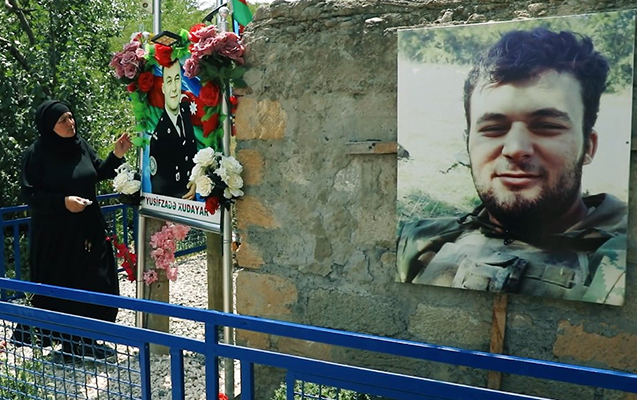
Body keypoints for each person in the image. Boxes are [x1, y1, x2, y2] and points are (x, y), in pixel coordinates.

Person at [396, 28, 627, 305]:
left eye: (546, 126)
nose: (515, 148)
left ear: (588, 147)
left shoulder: (620, 259)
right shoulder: (415, 242)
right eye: (493, 129)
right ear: (468, 144)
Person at [13, 99, 133, 361]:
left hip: (89, 230)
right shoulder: (37, 154)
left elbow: (96, 173)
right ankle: (69, 343)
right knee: (66, 285)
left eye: (70, 117)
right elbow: (30, 195)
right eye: (62, 120)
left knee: (98, 281)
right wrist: (63, 203)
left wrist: (116, 155)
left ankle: (89, 340)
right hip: (56, 237)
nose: (70, 123)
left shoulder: (80, 146)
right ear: (49, 126)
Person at [149, 60, 198, 198]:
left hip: (193, 203)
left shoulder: (185, 112)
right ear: (163, 88)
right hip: (177, 204)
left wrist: (197, 180)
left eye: (177, 79)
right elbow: (159, 191)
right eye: (169, 81)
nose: (175, 88)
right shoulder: (159, 137)